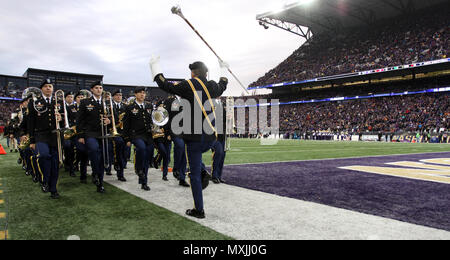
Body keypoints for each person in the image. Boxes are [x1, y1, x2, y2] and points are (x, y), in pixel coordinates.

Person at [150, 57, 228, 219]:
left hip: (194, 137)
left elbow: (165, 85)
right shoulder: (212, 85)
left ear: (193, 73)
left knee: (193, 173)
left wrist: (155, 68)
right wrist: (224, 69)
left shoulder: (188, 84)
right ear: (206, 73)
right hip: (210, 137)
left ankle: (199, 209)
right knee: (204, 154)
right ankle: (203, 170)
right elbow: (223, 84)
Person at [27, 78, 63, 199]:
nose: (48, 88)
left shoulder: (58, 101)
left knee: (55, 163)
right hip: (41, 135)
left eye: (50, 86)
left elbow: (64, 120)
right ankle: (44, 179)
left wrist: (60, 120)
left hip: (54, 135)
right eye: (46, 86)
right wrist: (32, 140)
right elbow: (31, 122)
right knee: (43, 156)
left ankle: (53, 189)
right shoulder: (34, 102)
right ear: (42, 89)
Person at [77, 81, 111, 193]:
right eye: (96, 88)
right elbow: (80, 120)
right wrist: (81, 135)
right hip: (90, 133)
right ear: (92, 90)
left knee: (102, 158)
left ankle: (100, 183)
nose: (99, 90)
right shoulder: (85, 102)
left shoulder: (107, 102)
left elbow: (113, 116)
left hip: (103, 133)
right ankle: (95, 173)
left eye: (100, 88)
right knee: (94, 149)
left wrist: (109, 120)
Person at [122, 87, 154, 191]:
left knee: (147, 157)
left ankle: (144, 182)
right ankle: (138, 168)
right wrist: (127, 139)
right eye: (140, 93)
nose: (142, 95)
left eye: (144, 93)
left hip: (148, 135)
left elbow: (152, 120)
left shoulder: (149, 105)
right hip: (136, 135)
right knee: (141, 148)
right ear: (135, 94)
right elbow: (126, 124)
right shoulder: (130, 107)